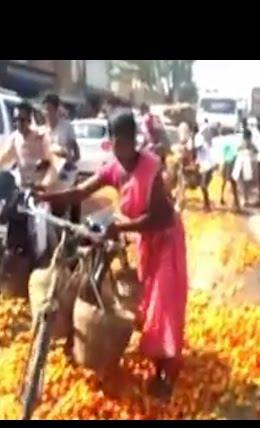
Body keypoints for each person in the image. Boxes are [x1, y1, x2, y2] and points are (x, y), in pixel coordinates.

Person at [37, 109, 188, 400]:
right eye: (115, 141)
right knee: (145, 302)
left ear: (132, 139)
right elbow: (80, 190)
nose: (119, 147)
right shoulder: (114, 167)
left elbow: (159, 218)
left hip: (166, 240)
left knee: (163, 305)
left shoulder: (150, 168)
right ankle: (154, 353)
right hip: (147, 241)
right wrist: (48, 196)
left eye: (124, 141)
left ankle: (164, 375)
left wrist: (120, 227)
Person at [41, 93, 81, 221]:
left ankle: (74, 227)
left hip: (64, 172)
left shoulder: (66, 127)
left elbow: (75, 152)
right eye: (45, 109)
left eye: (50, 109)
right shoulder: (41, 130)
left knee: (73, 198)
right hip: (47, 172)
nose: (48, 113)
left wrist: (67, 158)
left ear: (57, 109)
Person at [0, 102, 53, 187]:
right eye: (15, 119)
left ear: (29, 120)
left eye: (22, 120)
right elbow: (3, 158)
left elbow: (54, 160)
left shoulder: (41, 137)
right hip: (24, 187)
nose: (19, 123)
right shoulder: (14, 138)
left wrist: (44, 163)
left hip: (42, 187)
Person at [196, 125, 220, 211]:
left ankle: (207, 205)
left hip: (207, 167)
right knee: (203, 186)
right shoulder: (208, 144)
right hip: (205, 167)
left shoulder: (204, 144)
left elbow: (198, 149)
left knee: (203, 186)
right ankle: (206, 204)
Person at [219, 133, 240, 211]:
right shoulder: (236, 140)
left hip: (227, 163)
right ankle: (235, 202)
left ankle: (222, 197)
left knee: (224, 182)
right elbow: (236, 154)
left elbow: (222, 155)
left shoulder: (224, 141)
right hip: (232, 163)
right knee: (233, 183)